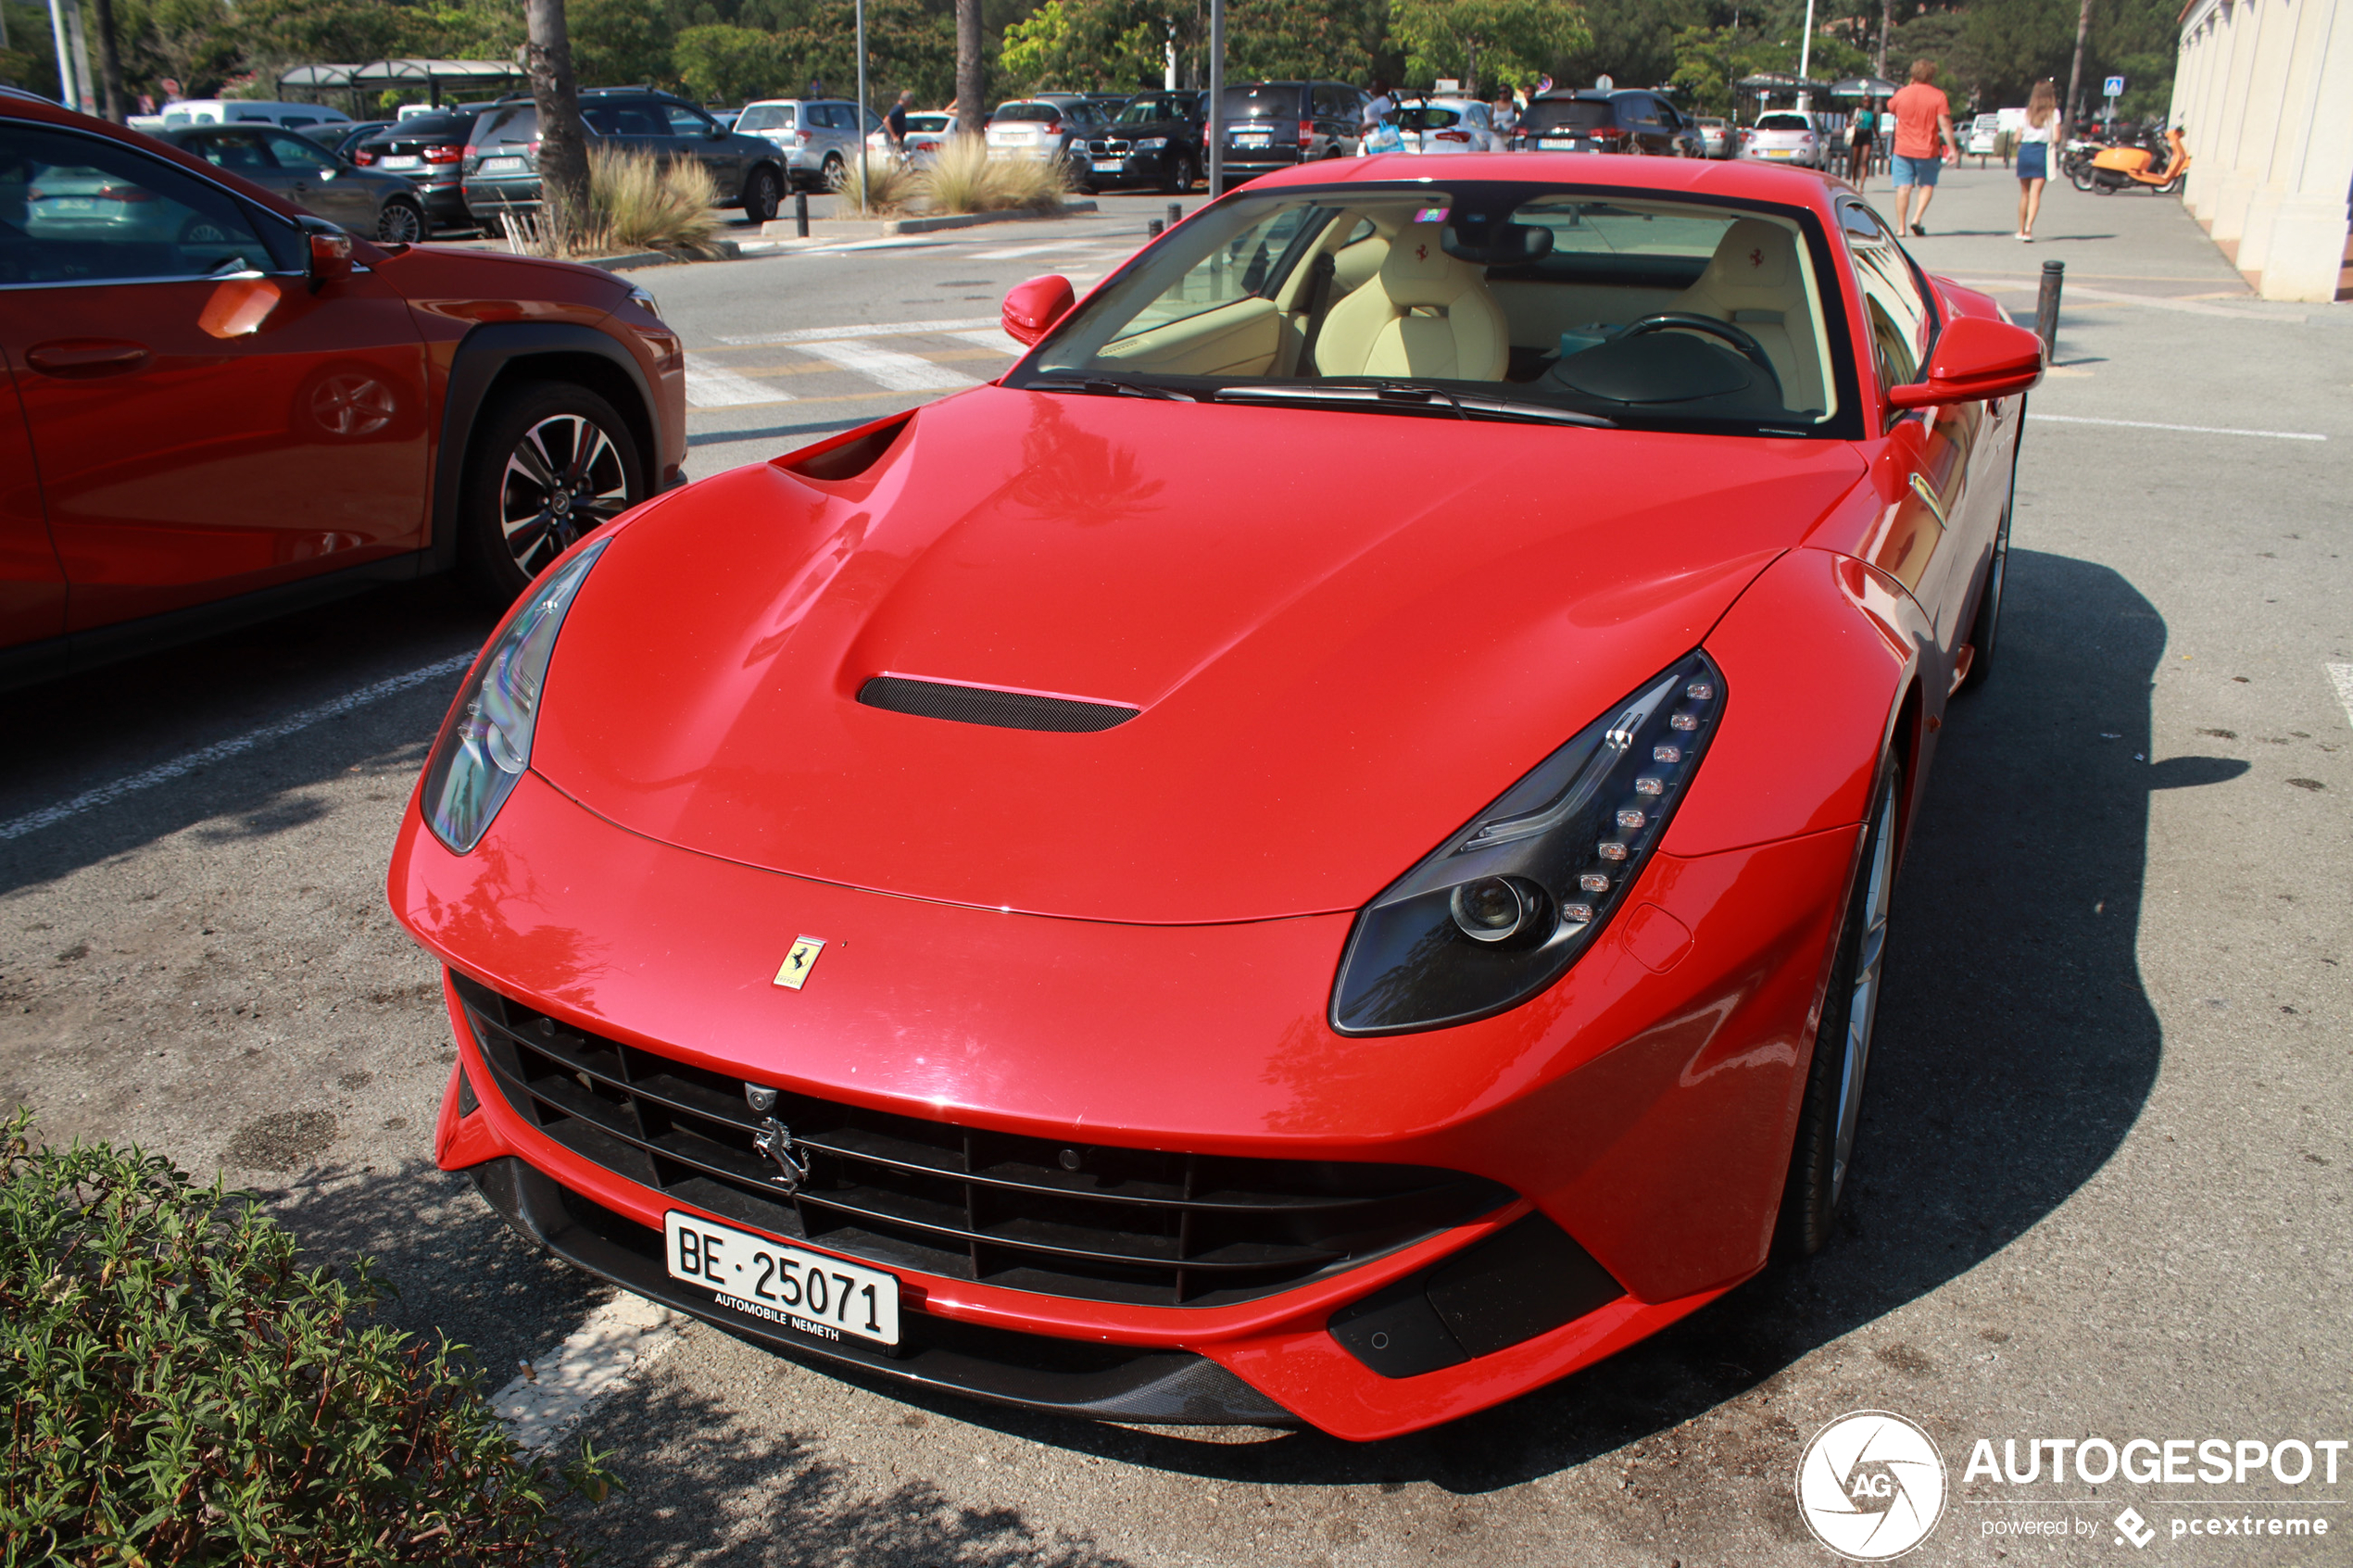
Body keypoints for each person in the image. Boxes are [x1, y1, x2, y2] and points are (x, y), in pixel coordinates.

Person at [1886, 58, 1957, 237]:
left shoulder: (1902, 94)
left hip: (1902, 148)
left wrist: (1909, 87)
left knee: (1903, 187)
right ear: (1932, 76)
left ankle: (1901, 227)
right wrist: (1952, 149)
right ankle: (1916, 219)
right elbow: (1945, 124)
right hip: (1927, 149)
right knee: (1927, 185)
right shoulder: (1938, 96)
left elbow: (1891, 108)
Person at [2015, 80, 2057, 241]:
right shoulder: (2054, 113)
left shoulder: (2026, 113)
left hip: (2025, 152)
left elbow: (2017, 137)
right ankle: (2028, 228)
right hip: (2041, 153)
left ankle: (2019, 229)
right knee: (2035, 194)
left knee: (2024, 193)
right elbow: (2057, 136)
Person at [1846, 100, 1876, 188]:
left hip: (1868, 135)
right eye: (1865, 101)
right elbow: (1851, 122)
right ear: (1862, 102)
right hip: (1858, 134)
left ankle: (1862, 185)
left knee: (1865, 160)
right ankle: (1854, 182)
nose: (1867, 102)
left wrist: (1879, 139)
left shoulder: (1873, 113)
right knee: (1855, 161)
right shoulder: (1858, 111)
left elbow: (1875, 126)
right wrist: (1850, 123)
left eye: (1868, 101)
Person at [886, 88, 913, 155]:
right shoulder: (897, 109)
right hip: (893, 141)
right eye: (910, 101)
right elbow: (886, 121)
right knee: (895, 158)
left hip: (898, 141)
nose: (910, 103)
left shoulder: (900, 109)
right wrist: (894, 137)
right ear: (907, 100)